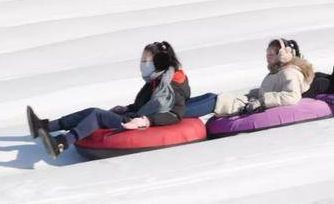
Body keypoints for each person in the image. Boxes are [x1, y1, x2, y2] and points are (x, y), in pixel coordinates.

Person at [27, 41, 190, 158]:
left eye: (145, 61)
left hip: (142, 123)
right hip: (135, 117)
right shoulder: (157, 80)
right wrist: (125, 109)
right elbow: (142, 105)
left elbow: (175, 114)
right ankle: (44, 126)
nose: (142, 64)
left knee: (97, 115)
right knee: (92, 111)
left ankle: (61, 144)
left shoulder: (172, 85)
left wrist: (146, 120)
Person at [214, 39, 314, 116]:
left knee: (214, 101)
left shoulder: (289, 73)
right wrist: (251, 96)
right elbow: (271, 90)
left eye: (271, 55)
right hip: (253, 103)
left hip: (259, 106)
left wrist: (261, 101)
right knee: (214, 98)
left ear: (283, 55)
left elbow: (292, 96)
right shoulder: (275, 73)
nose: (267, 58)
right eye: (267, 54)